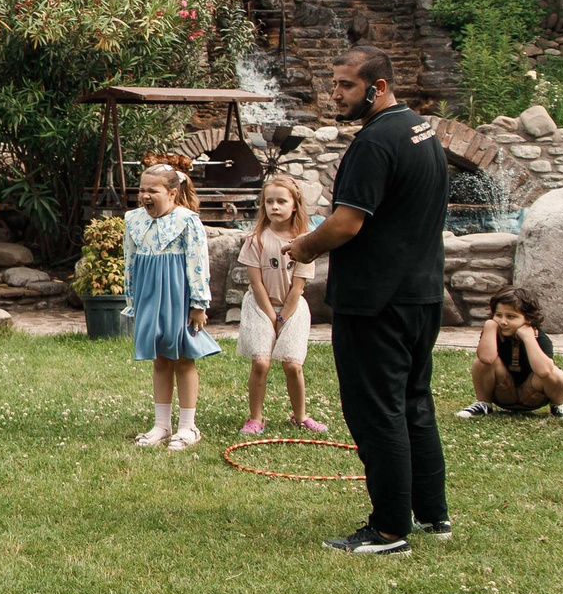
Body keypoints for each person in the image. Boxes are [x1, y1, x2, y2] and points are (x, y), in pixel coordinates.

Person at [285, 47, 449, 556]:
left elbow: (346, 222)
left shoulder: (375, 142)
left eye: (346, 85)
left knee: (377, 412)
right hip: (422, 295)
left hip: (377, 301)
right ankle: (432, 513)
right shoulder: (422, 130)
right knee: (413, 402)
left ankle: (389, 530)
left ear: (377, 88)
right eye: (334, 83)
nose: (335, 94)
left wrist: (304, 247)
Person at [124, 163, 219, 453]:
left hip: (178, 295)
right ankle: (161, 425)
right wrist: (132, 300)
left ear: (172, 193)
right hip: (149, 295)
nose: (145, 196)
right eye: (142, 190)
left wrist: (198, 304)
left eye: (153, 190)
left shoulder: (187, 221)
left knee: (183, 357)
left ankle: (188, 427)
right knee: (160, 358)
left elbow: (198, 262)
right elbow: (130, 261)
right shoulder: (133, 220)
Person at [239, 173, 328, 437]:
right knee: (261, 363)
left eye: (281, 201)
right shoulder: (256, 240)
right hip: (260, 307)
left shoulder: (304, 243)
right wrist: (271, 317)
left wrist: (283, 318)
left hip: (292, 309)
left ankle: (300, 416)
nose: (274, 207)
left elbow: (298, 287)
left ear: (295, 205)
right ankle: (255, 417)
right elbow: (256, 284)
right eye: (269, 202)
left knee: (292, 365)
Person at [459, 287, 563, 422]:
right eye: (498, 315)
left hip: (533, 395)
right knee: (480, 363)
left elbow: (544, 371)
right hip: (503, 392)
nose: (503, 322)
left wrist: (528, 337)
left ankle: (559, 406)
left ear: (528, 318)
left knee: (555, 372)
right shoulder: (492, 333)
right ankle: (483, 404)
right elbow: (487, 359)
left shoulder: (540, 338)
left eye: (511, 316)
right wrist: (490, 326)